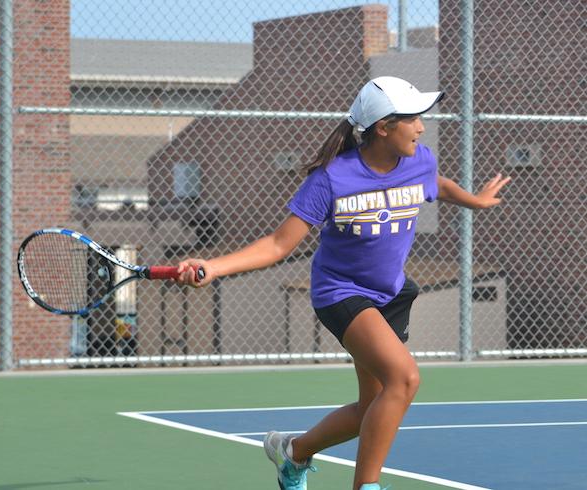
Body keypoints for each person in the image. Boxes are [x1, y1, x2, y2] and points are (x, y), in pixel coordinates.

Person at [176, 76, 511, 490]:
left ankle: (293, 452)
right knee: (404, 379)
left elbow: (435, 186)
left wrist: (472, 200)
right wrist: (214, 266)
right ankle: (365, 487)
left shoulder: (420, 160)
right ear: (384, 127)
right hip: (341, 294)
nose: (421, 127)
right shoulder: (332, 179)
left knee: (373, 407)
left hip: (390, 293)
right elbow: (279, 244)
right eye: (412, 119)